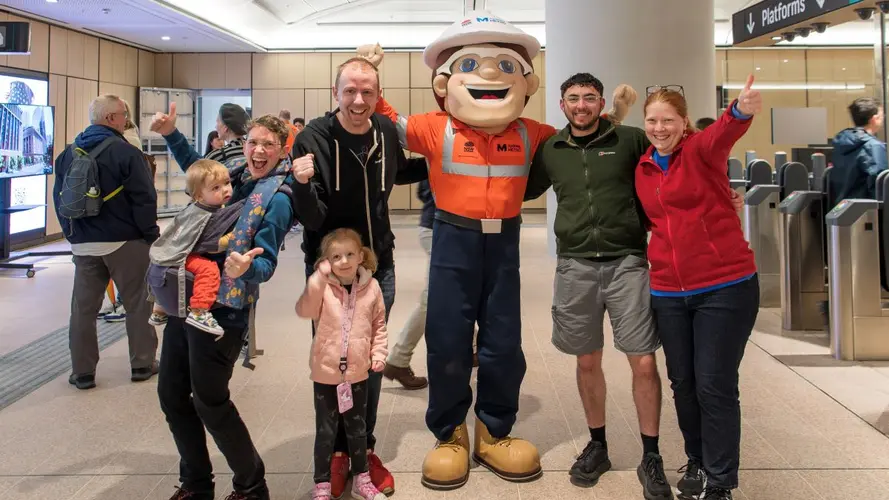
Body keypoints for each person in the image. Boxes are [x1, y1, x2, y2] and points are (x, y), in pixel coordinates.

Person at [360, 12, 563, 489]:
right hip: (453, 239)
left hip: (505, 243)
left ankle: (494, 430)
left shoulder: (532, 132)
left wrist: (614, 117)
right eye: (472, 64)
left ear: (527, 81)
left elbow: (580, 144)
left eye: (505, 66)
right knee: (449, 337)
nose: (490, 75)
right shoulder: (436, 127)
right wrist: (373, 77)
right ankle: (449, 433)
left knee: (503, 341)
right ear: (443, 83)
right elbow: (386, 121)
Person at [523, 73, 672, 498]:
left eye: (589, 98)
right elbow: (519, 190)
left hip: (628, 262)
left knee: (643, 362)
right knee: (587, 361)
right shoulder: (552, 149)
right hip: (575, 266)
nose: (582, 106)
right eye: (574, 99)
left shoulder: (630, 139)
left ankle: (652, 454)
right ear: (562, 103)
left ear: (601, 102)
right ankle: (598, 444)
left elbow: (671, 170)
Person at [150, 111, 306, 500]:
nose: (258, 150)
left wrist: (248, 266)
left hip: (224, 312)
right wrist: (171, 134)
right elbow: (197, 170)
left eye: (268, 145)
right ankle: (196, 483)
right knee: (171, 394)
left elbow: (266, 261)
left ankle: (251, 485)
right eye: (253, 142)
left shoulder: (280, 196)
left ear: (281, 148)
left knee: (210, 401)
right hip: (185, 302)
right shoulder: (232, 171)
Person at [290, 56, 426, 498]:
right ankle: (334, 455)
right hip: (331, 272)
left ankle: (362, 450)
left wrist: (449, 158)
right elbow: (310, 218)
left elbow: (402, 171)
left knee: (367, 365)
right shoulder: (313, 137)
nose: (358, 99)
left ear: (378, 95)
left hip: (377, 266)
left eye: (368, 91)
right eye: (350, 90)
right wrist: (301, 184)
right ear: (336, 93)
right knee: (333, 366)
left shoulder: (385, 133)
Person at [634, 77, 761, 500]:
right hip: (668, 290)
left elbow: (724, 132)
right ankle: (699, 462)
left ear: (684, 122)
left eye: (667, 120)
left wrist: (739, 110)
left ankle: (721, 482)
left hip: (725, 286)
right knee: (683, 383)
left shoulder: (701, 150)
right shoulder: (644, 167)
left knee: (713, 384)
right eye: (652, 120)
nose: (659, 128)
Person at [54, 94, 159, 390]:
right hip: (125, 241)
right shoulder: (126, 153)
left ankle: (82, 371)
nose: (126, 121)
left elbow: (58, 197)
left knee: (83, 309)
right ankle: (142, 363)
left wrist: (72, 233)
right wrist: (149, 234)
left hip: (83, 243)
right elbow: (144, 198)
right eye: (123, 115)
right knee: (138, 303)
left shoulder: (68, 153)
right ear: (112, 118)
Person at [296, 228, 389, 500]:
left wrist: (379, 353)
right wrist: (317, 278)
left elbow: (378, 325)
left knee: (357, 430)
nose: (344, 261)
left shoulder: (372, 288)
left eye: (350, 254)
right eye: (336, 256)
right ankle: (322, 482)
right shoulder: (322, 288)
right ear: (326, 261)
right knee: (326, 431)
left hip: (358, 373)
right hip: (325, 375)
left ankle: (362, 478)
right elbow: (304, 310)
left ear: (361, 256)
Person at [147, 160, 237, 336]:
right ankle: (200, 311)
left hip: (168, 253)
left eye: (227, 183)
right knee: (209, 269)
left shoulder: (198, 208)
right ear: (199, 196)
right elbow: (213, 247)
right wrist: (234, 236)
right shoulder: (204, 215)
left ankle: (159, 309)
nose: (225, 189)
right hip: (182, 256)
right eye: (216, 188)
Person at [829, 97, 887, 205]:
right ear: (874, 119)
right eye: (882, 115)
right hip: (864, 212)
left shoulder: (841, 143)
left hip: (842, 209)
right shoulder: (873, 146)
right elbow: (880, 185)